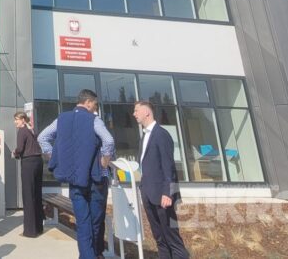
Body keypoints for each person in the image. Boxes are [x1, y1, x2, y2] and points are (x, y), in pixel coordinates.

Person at [38, 89, 115, 259]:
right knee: (95, 221)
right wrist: (104, 161)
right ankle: (95, 253)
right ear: (88, 102)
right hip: (95, 180)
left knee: (83, 222)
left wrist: (54, 157)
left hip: (75, 181)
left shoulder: (62, 119)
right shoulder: (94, 120)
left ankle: (88, 255)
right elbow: (109, 140)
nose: (96, 108)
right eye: (95, 105)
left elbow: (42, 137)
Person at [134, 101, 189, 259]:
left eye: (136, 110)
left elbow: (168, 166)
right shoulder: (144, 136)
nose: (134, 114)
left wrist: (167, 193)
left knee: (172, 238)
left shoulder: (161, 134)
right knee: (159, 238)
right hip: (148, 193)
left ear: (147, 112)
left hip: (162, 195)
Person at [12, 112, 44, 237]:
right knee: (37, 194)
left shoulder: (22, 131)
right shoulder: (32, 130)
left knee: (28, 195)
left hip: (28, 163)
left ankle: (30, 231)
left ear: (23, 120)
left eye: (17, 119)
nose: (15, 122)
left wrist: (14, 153)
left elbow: (20, 149)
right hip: (38, 161)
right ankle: (39, 227)